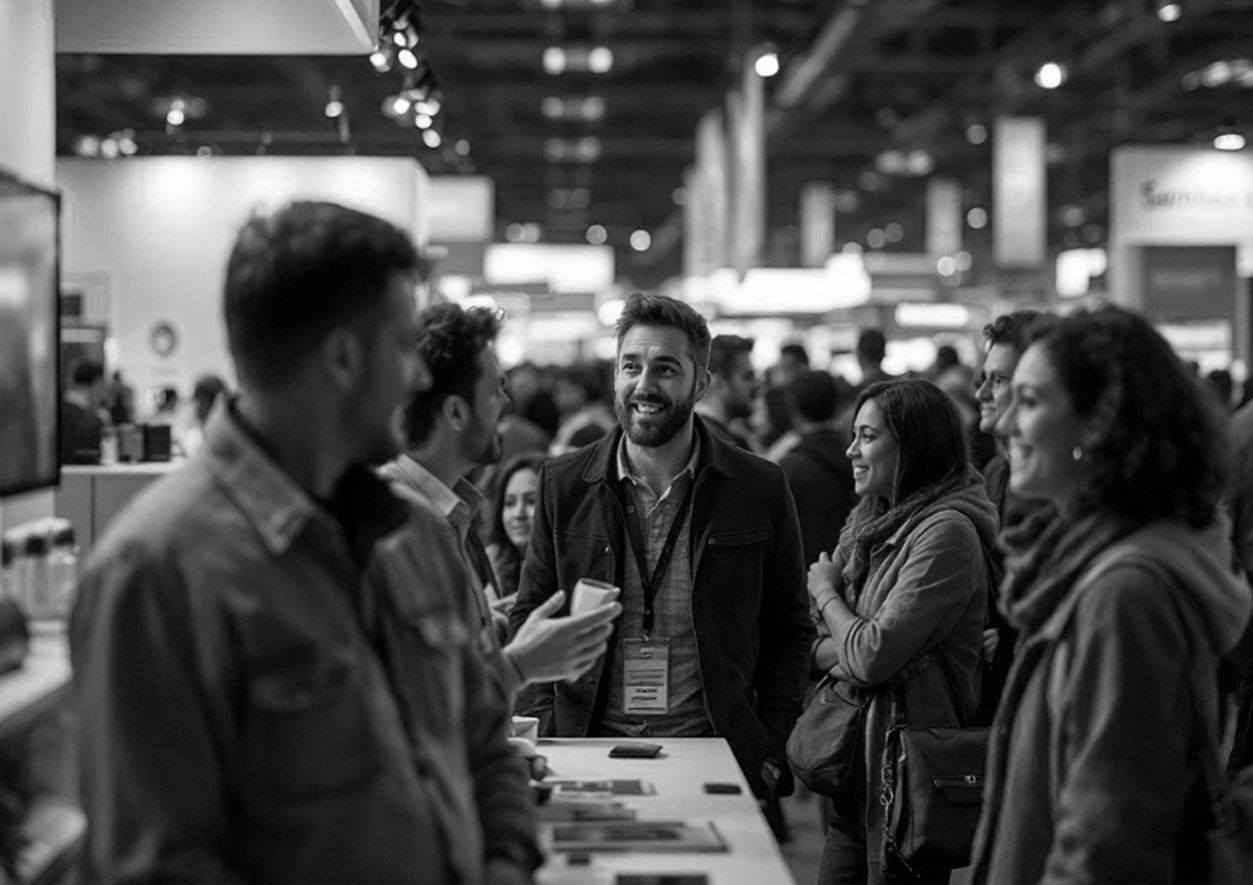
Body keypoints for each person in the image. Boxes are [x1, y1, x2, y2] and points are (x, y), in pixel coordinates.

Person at [70, 201, 540, 883]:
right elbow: (156, 865)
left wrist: (505, 861)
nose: (418, 377)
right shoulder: (156, 573)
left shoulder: (413, 533)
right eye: (403, 346)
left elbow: (481, 742)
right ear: (343, 358)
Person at [969, 305, 1252, 884]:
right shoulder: (1100, 564)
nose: (1005, 423)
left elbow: (1107, 839)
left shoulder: (1124, 594)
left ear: (1100, 425)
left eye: (1030, 401)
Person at [508, 292, 814, 805]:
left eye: (665, 369)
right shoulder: (564, 484)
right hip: (585, 751)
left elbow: (789, 630)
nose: (644, 385)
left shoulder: (757, 487)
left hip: (716, 753)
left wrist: (769, 752)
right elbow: (530, 614)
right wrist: (545, 730)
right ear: (615, 376)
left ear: (701, 384)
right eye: (631, 366)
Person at [806, 378, 997, 885]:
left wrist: (826, 593)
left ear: (913, 446)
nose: (851, 450)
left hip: (910, 785)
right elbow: (821, 644)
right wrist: (857, 652)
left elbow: (870, 655)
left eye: (867, 436)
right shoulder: (868, 522)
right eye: (854, 435)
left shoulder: (947, 533)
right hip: (854, 776)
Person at [381, 302, 620, 696]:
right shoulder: (399, 524)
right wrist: (521, 664)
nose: (507, 405)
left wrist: (480, 630)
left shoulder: (449, 512)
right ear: (455, 412)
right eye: (495, 391)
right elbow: (426, 703)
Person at [973, 310, 1048, 527]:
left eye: (998, 380)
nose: (980, 393)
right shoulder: (994, 472)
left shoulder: (1054, 481)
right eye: (984, 378)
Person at [778, 369, 855, 568]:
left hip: (807, 576)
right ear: (837, 406)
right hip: (852, 571)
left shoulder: (787, 468)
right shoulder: (858, 458)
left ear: (794, 411)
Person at [487, 452, 548, 607]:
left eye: (531, 501)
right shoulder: (490, 561)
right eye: (510, 503)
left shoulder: (575, 564)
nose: (518, 514)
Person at [694, 334, 758, 449]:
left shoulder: (705, 433)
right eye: (748, 377)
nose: (756, 385)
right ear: (719, 382)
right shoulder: (712, 442)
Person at [60, 358, 106, 464]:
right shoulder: (92, 423)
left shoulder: (52, 416)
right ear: (96, 385)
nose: (103, 396)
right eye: (101, 389)